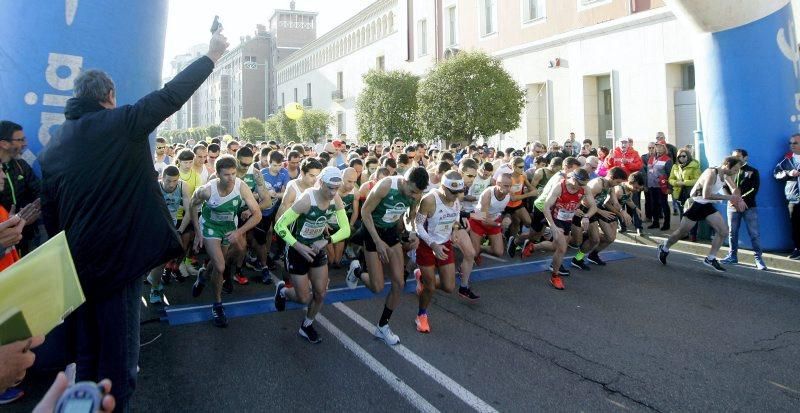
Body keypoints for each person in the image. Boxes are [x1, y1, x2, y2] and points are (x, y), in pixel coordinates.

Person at [39, 27, 228, 411]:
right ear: (109, 97)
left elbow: (50, 213)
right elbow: (170, 96)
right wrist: (210, 56)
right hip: (118, 263)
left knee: (87, 357)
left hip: (76, 267)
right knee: (120, 368)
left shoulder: (55, 143)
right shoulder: (121, 123)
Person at [345, 167, 428, 345]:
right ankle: (357, 270)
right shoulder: (385, 186)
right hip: (372, 230)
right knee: (377, 287)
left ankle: (382, 326)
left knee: (399, 283)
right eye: (412, 191)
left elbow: (410, 216)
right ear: (404, 181)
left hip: (390, 231)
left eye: (418, 193)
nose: (414, 196)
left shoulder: (416, 194)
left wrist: (412, 232)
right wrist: (377, 241)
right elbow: (365, 213)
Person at [273, 167, 351, 343]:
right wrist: (298, 246)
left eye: (336, 188)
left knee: (320, 294)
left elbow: (346, 229)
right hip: (296, 249)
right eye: (330, 187)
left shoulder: (336, 199)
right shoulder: (306, 200)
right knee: (303, 298)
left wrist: (327, 240)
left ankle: (306, 326)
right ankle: (283, 291)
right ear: (321, 183)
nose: (333, 192)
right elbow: (279, 226)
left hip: (317, 249)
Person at [190, 155, 261, 326]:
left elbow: (257, 214)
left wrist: (239, 232)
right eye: (226, 175)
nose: (231, 178)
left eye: (233, 174)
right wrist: (198, 233)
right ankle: (217, 304)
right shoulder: (207, 190)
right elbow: (192, 205)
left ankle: (203, 275)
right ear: (217, 174)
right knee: (221, 267)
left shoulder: (241, 187)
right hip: (210, 227)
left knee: (219, 262)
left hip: (229, 227)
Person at [658, 156, 745, 271]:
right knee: (682, 232)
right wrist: (729, 197)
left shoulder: (726, 175)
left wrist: (739, 199)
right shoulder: (712, 173)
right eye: (735, 169)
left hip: (706, 205)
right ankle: (664, 247)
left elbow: (734, 188)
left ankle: (711, 258)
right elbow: (706, 195)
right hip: (696, 204)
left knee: (723, 231)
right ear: (727, 165)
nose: (736, 172)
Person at [413, 171, 463, 333]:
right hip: (427, 246)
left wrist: (455, 229)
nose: (456, 196)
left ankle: (421, 277)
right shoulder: (429, 200)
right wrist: (432, 244)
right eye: (452, 192)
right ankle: (421, 315)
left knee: (449, 286)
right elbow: (418, 225)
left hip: (445, 244)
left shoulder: (456, 199)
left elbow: (456, 217)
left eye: (458, 192)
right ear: (442, 187)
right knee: (430, 288)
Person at [146, 166, 192, 305]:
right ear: (162, 178)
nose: (171, 184)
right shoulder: (155, 187)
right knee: (159, 260)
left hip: (173, 225)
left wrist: (179, 230)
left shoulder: (183, 186)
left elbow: (189, 211)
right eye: (168, 181)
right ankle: (154, 288)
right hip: (155, 224)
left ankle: (154, 281)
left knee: (168, 257)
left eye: (174, 181)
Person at [541, 169, 592, 290]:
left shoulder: (584, 188)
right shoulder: (560, 187)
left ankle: (532, 246)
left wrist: (586, 216)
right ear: (573, 179)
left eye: (584, 184)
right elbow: (546, 207)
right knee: (562, 248)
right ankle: (555, 276)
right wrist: (552, 226)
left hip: (568, 219)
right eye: (580, 184)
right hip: (555, 218)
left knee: (555, 247)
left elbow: (593, 206)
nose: (582, 187)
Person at [570, 167, 628, 270]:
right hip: (584, 211)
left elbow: (615, 202)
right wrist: (601, 212)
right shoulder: (597, 184)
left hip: (595, 210)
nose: (618, 184)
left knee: (605, 238)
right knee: (587, 241)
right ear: (611, 177)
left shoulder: (611, 186)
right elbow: (585, 202)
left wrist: (622, 211)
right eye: (617, 182)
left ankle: (585, 256)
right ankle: (578, 256)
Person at [0, 121, 42, 256]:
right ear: (4, 144)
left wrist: (32, 211)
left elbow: (38, 191)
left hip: (24, 236)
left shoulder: (21, 165)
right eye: (20, 140)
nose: (25, 144)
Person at [720, 149, 766, 270]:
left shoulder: (753, 171)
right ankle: (732, 256)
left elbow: (754, 189)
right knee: (732, 232)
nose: (736, 159)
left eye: (739, 157)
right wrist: (733, 200)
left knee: (754, 234)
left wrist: (742, 200)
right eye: (734, 156)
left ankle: (758, 259)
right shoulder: (729, 172)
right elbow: (724, 187)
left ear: (745, 158)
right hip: (732, 206)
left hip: (749, 206)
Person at [468, 174, 512, 265]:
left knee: (498, 252)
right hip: (478, 218)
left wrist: (508, 217)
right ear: (498, 184)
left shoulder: (508, 195)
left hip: (494, 219)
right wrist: (500, 225)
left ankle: (480, 248)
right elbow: (484, 221)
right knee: (474, 254)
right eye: (506, 186)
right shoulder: (488, 194)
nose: (508, 189)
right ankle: (473, 250)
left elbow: (509, 210)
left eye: (510, 186)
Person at [774, 133, 800, 259]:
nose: (792, 145)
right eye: (790, 143)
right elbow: (776, 173)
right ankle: (797, 249)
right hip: (794, 198)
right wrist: (789, 173)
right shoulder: (787, 159)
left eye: (795, 143)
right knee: (795, 225)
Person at [669, 148, 701, 240]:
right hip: (679, 193)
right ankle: (683, 233)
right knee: (682, 214)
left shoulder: (694, 166)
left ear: (688, 156)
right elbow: (670, 179)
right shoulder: (675, 166)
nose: (681, 158)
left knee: (692, 214)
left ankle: (693, 234)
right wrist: (675, 183)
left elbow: (698, 180)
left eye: (684, 156)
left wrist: (684, 182)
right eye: (679, 156)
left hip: (690, 193)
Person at [646, 142, 673, 231]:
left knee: (664, 204)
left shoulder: (667, 159)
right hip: (652, 185)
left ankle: (666, 224)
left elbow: (670, 175)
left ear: (664, 148)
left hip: (662, 186)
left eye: (661, 146)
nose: (658, 148)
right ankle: (655, 222)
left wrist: (669, 187)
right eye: (657, 146)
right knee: (654, 205)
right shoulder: (651, 158)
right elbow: (648, 172)